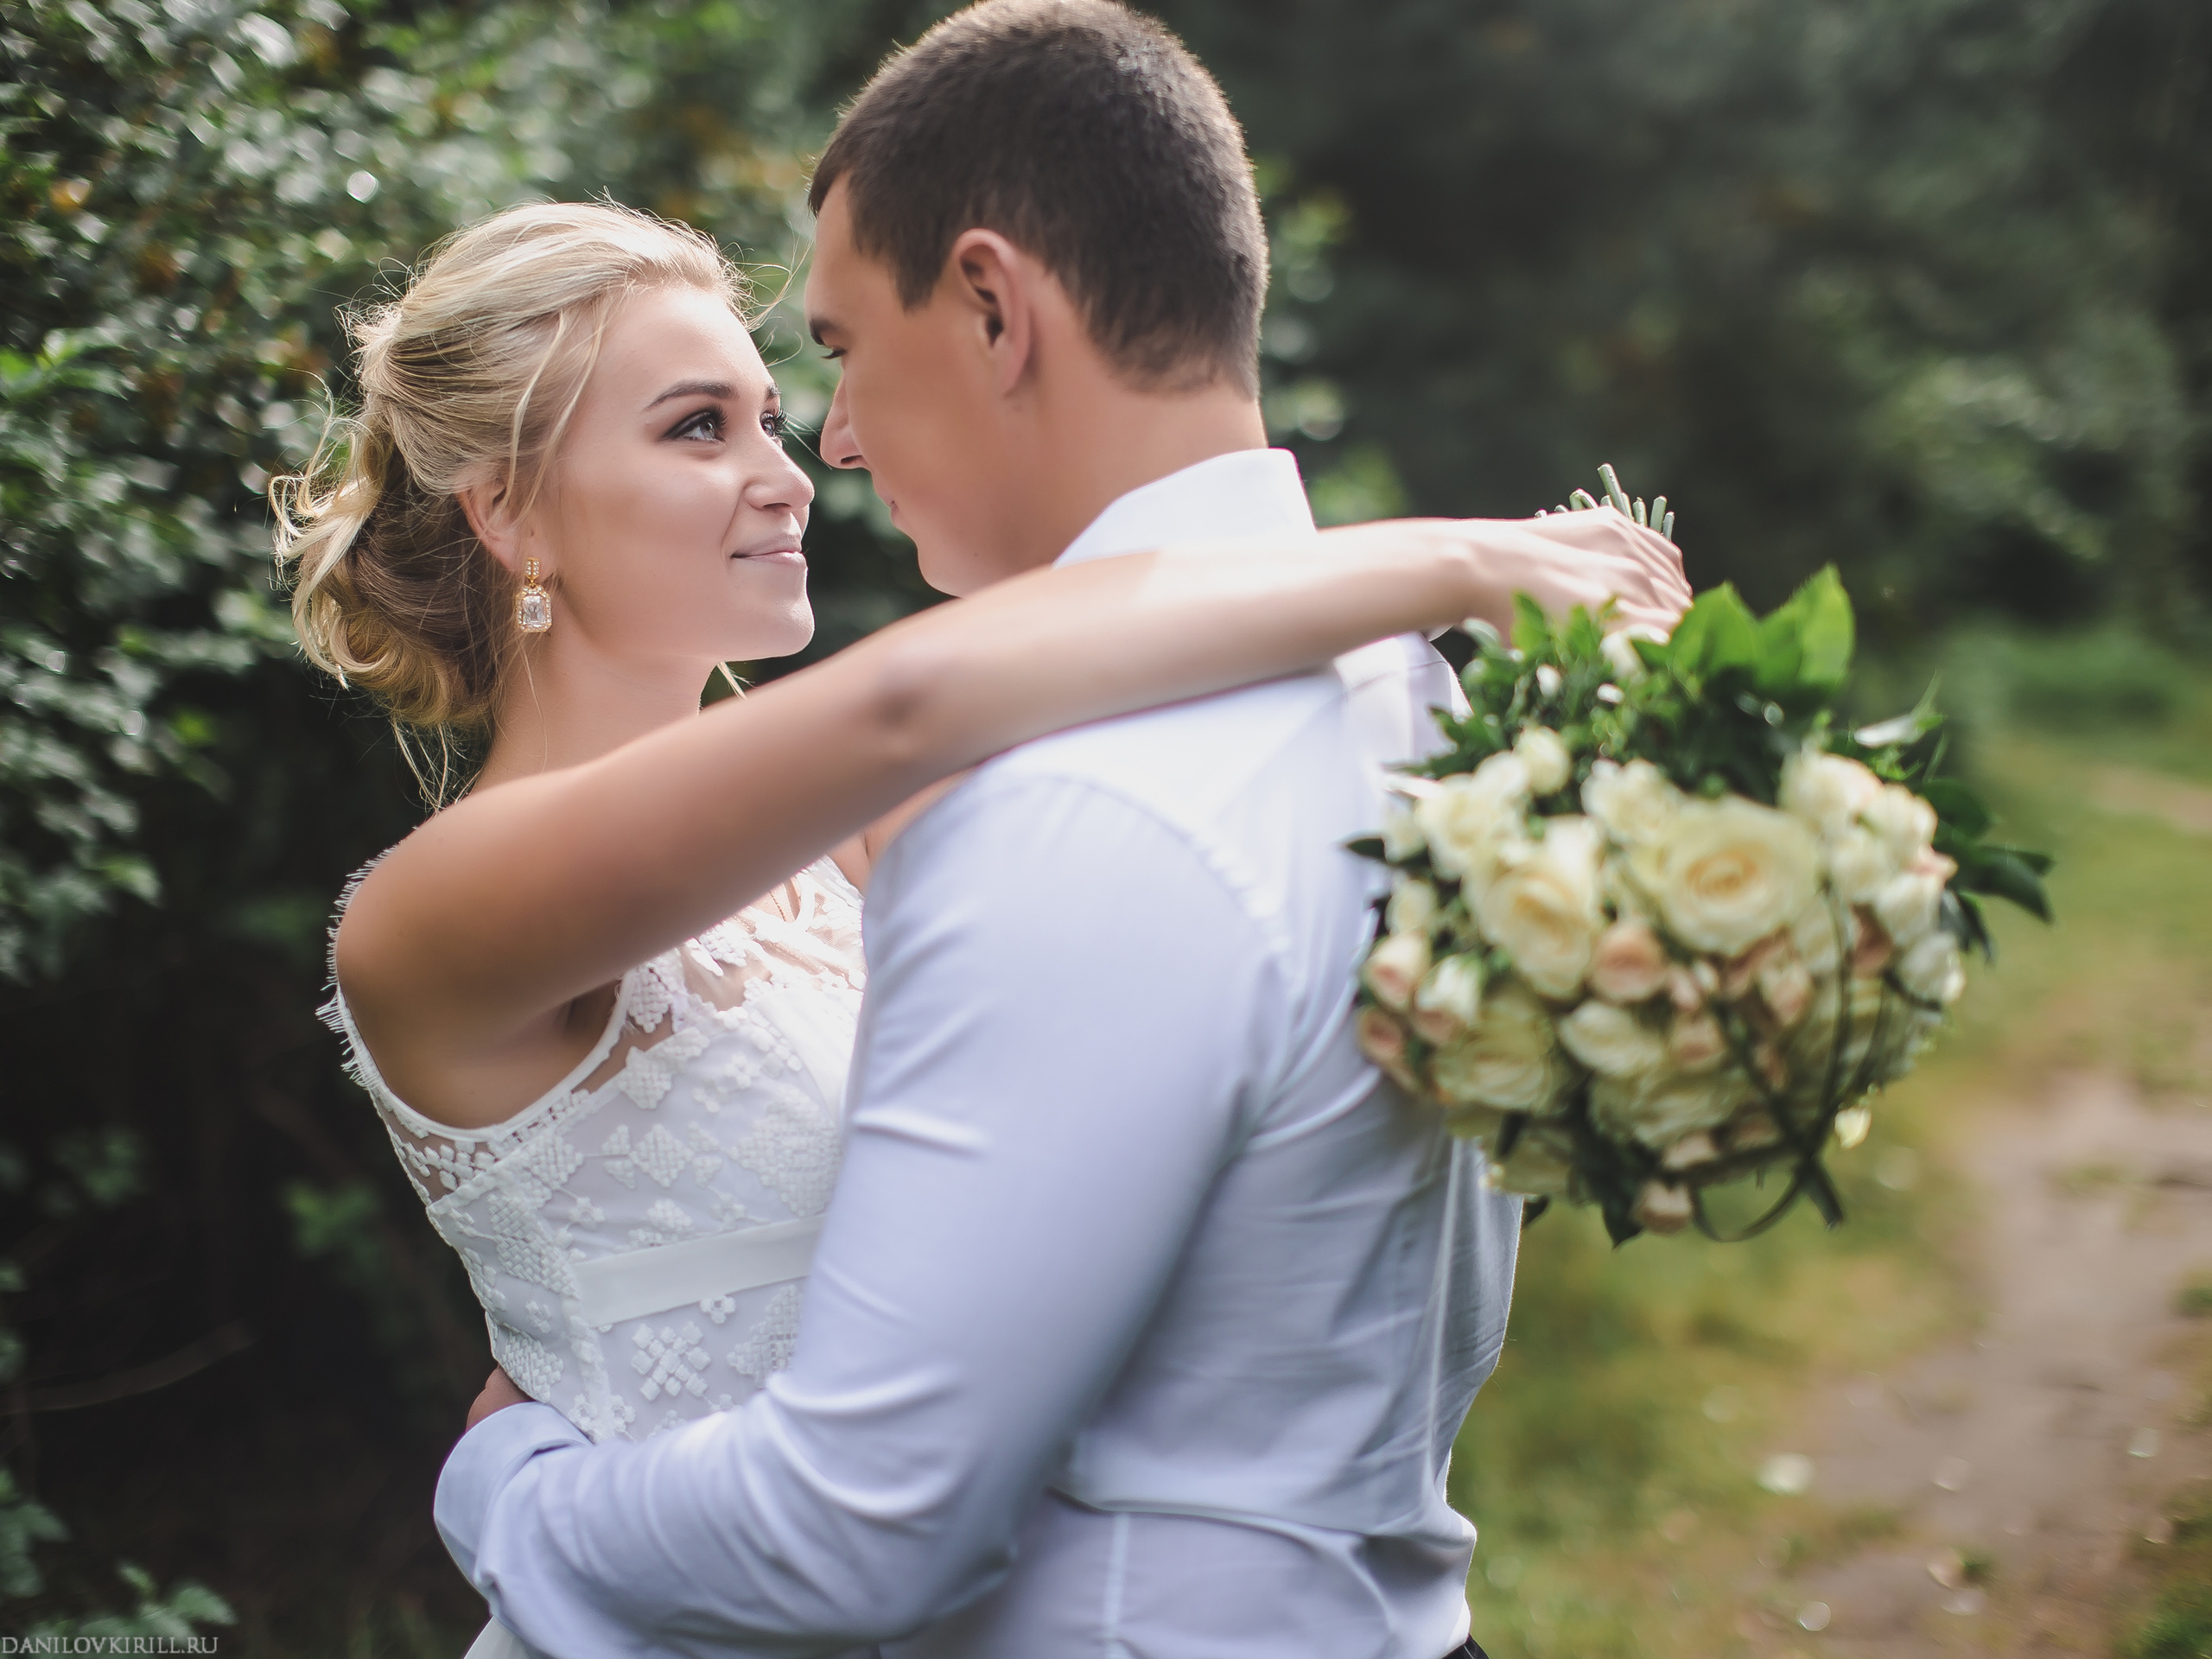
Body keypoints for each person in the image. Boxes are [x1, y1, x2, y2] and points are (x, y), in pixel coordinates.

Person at [314, 8, 1687, 1657]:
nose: (798, 466)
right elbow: (936, 692)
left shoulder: (865, 836)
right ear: (509, 509)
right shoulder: (433, 910)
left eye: (774, 405)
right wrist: (1463, 564)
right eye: (699, 428)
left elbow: (1078, 655)